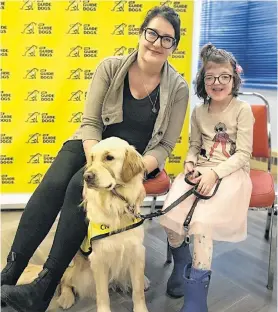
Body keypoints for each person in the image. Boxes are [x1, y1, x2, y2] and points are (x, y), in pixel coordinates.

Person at [1, 6, 189, 312]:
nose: (156, 43)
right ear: (141, 33)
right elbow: (90, 123)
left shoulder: (178, 88)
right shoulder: (110, 67)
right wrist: (96, 163)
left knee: (78, 186)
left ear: (174, 47)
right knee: (54, 185)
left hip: (129, 160)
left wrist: (134, 169)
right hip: (90, 145)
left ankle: (43, 287)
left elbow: (165, 145)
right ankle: (10, 271)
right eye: (151, 33)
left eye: (166, 39)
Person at [160, 43, 254, 312]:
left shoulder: (242, 110)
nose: (217, 82)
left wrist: (214, 173)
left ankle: (196, 301)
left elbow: (243, 154)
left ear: (233, 78)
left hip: (232, 173)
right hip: (200, 168)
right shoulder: (199, 112)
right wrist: (190, 162)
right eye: (211, 77)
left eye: (224, 76)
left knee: (201, 224)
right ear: (203, 81)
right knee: (168, 214)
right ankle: (181, 263)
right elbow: (193, 145)